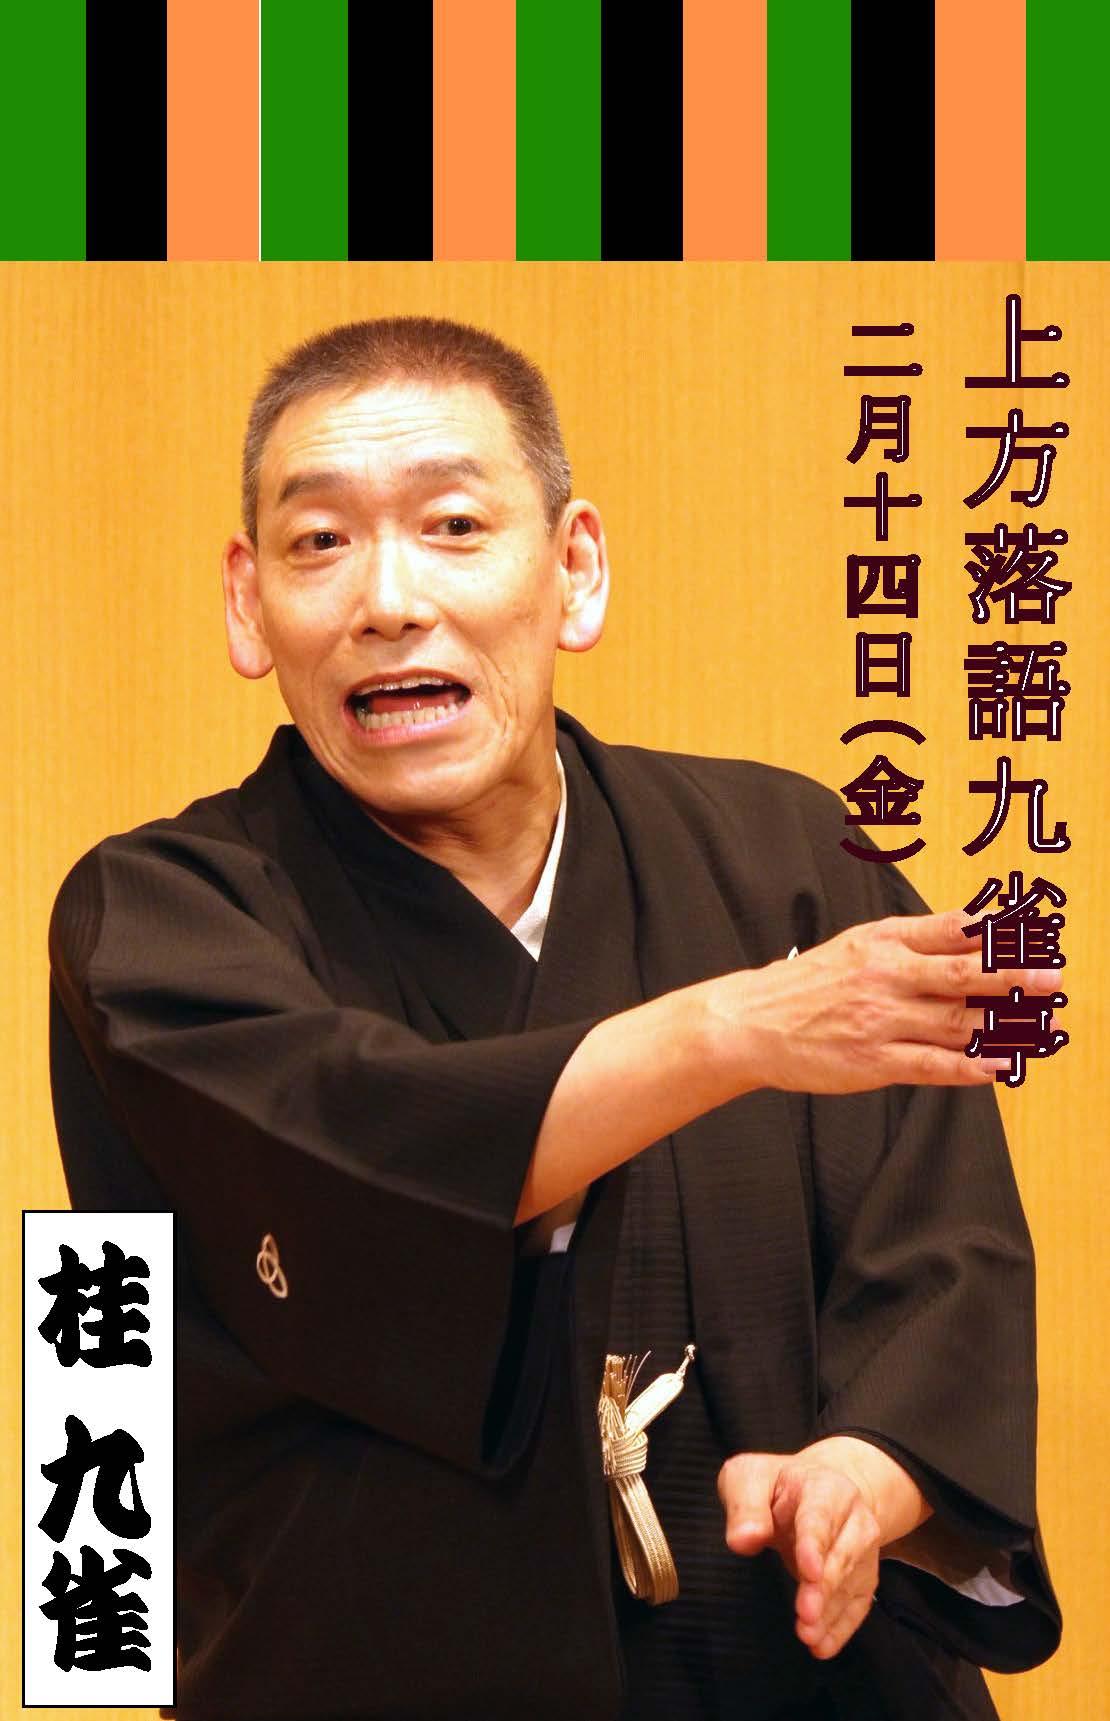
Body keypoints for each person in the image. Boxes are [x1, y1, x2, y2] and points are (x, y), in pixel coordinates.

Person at [47, 316, 1061, 1721]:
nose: (387, 598)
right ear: (246, 601)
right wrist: (728, 1034)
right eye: (319, 541)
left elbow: (945, 1256)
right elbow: (349, 1160)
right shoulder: (156, 916)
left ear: (574, 567)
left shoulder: (788, 862)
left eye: (454, 526)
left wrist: (868, 1476)